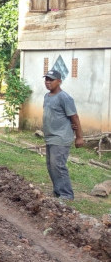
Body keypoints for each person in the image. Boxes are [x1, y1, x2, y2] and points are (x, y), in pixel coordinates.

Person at [42, 69, 84, 200]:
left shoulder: (64, 97)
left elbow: (75, 117)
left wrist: (79, 137)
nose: (48, 82)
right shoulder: (47, 96)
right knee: (51, 166)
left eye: (51, 80)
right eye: (46, 79)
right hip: (50, 136)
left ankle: (67, 195)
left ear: (59, 81)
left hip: (61, 137)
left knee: (58, 166)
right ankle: (58, 192)